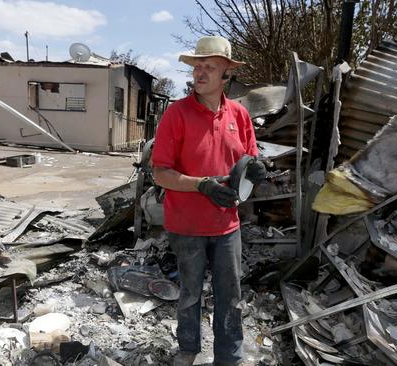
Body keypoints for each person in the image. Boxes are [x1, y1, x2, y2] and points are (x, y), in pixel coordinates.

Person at [151, 36, 266, 366]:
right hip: (186, 226)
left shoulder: (240, 115)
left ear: (226, 72)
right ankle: (188, 350)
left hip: (227, 226)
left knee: (231, 296)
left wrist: (256, 172)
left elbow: (249, 161)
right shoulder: (176, 114)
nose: (200, 73)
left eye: (209, 67)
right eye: (197, 67)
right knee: (190, 293)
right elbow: (161, 174)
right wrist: (202, 185)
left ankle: (228, 357)